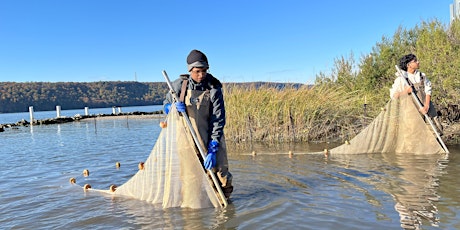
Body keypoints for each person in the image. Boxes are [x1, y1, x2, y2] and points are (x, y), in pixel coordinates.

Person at [163, 49, 233, 199]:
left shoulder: (213, 87)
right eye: (197, 71)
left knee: (221, 175)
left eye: (204, 71)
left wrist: (213, 148)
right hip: (187, 139)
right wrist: (172, 108)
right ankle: (194, 215)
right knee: (191, 178)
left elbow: (218, 119)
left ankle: (226, 212)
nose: (201, 75)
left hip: (210, 137)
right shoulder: (179, 86)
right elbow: (165, 106)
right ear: (190, 70)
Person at [390, 54, 443, 133]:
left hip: (427, 107)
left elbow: (428, 91)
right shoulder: (401, 79)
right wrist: (405, 91)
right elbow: (394, 96)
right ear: (409, 65)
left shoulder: (422, 76)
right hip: (412, 111)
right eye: (415, 61)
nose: (418, 62)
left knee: (436, 129)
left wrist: (426, 106)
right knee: (415, 132)